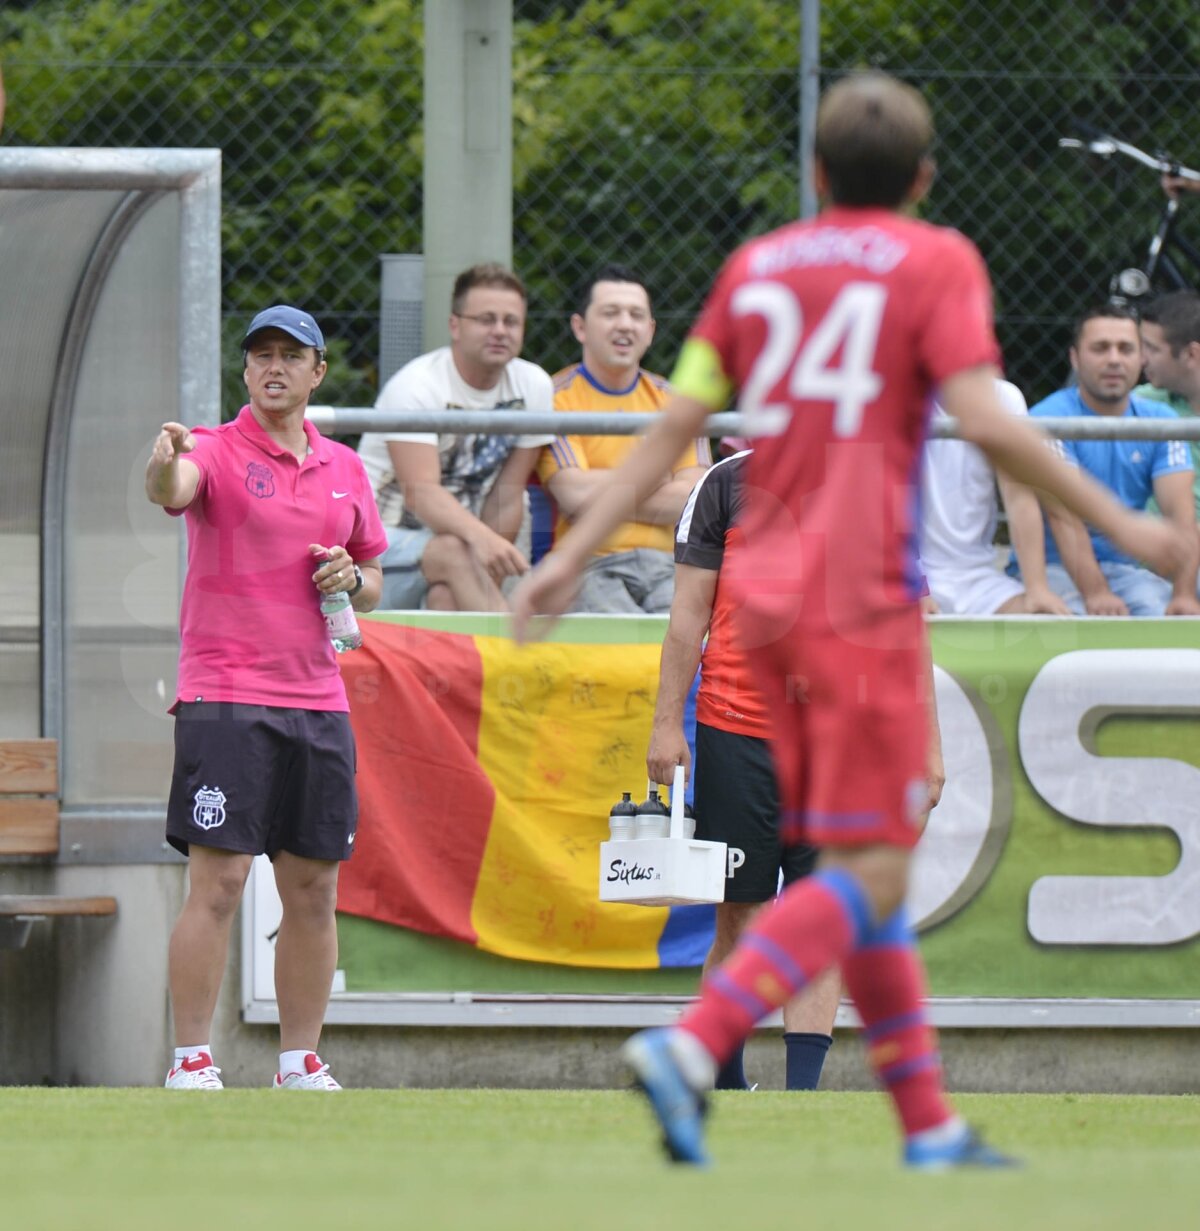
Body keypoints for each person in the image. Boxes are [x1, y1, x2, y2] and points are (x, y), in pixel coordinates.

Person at [512, 71, 1186, 1169]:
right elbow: (990, 423)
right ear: (923, 179)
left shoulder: (756, 268)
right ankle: (698, 1045)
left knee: (865, 879)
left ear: (816, 176)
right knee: (861, 875)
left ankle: (927, 1124)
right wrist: (1131, 527)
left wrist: (567, 560)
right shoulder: (938, 261)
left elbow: (672, 426)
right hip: (859, 589)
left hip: (766, 603)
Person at [648, 449, 945, 1092]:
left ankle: (800, 1095)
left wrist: (927, 750)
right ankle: (724, 1084)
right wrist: (666, 723)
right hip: (737, 731)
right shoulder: (724, 485)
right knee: (740, 916)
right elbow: (687, 616)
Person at [146, 304, 388, 1091]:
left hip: (318, 700)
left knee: (315, 887)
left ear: (318, 372)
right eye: (261, 356)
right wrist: (162, 462)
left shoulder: (347, 469)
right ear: (245, 370)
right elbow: (172, 489)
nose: (273, 367)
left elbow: (372, 576)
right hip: (224, 695)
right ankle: (190, 1058)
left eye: (291, 355)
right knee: (218, 882)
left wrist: (352, 579)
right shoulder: (212, 448)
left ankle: (300, 1060)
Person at [357, 263, 554, 610]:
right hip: (375, 548)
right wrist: (483, 543)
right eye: (485, 319)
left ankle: (459, 663)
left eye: (511, 321)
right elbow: (421, 493)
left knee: (447, 596)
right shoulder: (417, 386)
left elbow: (506, 494)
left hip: (458, 548)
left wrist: (489, 566)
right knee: (454, 552)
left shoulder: (533, 385)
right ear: (455, 325)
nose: (499, 331)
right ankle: (517, 661)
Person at [536, 266, 711, 612]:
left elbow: (693, 502)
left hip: (669, 567)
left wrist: (606, 492)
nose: (625, 324)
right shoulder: (555, 398)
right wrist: (656, 477)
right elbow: (576, 497)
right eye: (610, 313)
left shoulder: (678, 401)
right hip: (588, 566)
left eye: (636, 315)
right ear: (579, 327)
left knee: (688, 644)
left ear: (650, 330)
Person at [1024, 305, 1200, 616]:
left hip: (1128, 572)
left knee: (1161, 610)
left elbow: (1182, 518)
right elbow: (1063, 517)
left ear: (1140, 358)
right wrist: (1097, 592)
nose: (1114, 359)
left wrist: (1184, 594)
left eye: (1126, 348)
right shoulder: (1048, 418)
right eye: (1100, 348)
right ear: (1075, 358)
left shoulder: (1162, 421)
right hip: (1057, 570)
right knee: (1110, 617)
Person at [921, 379, 1070, 615]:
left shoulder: (1004, 397)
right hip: (909, 577)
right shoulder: (896, 394)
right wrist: (915, 588)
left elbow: (1019, 498)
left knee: (1046, 620)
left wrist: (1037, 588)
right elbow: (887, 504)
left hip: (979, 580)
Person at [1135, 290, 1200, 518]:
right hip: (1147, 548)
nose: (1141, 359)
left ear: (1191, 354)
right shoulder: (1140, 403)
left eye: (1152, 349)